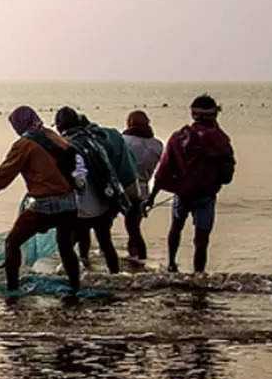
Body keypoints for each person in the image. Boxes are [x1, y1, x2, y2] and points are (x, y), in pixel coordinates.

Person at [0, 106, 81, 296]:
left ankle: (12, 291)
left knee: (12, 243)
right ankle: (75, 288)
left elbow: (3, 177)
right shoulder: (54, 136)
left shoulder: (24, 144)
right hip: (70, 203)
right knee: (66, 248)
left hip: (45, 206)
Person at [147, 95, 235, 273]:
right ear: (215, 114)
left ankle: (171, 263)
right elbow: (227, 174)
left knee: (176, 228)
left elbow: (163, 170)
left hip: (182, 195)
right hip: (206, 196)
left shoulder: (179, 137)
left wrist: (151, 197)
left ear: (193, 114)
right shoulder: (220, 139)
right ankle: (198, 274)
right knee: (201, 241)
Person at [54, 107, 136, 274]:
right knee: (106, 243)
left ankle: (73, 278)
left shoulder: (68, 145)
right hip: (103, 201)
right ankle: (115, 275)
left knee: (66, 245)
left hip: (81, 206)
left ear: (60, 126)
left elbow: (77, 179)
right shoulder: (96, 139)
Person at [122, 110, 164, 263]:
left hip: (122, 187)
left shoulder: (123, 140)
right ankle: (138, 259)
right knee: (133, 228)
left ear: (129, 124)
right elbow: (162, 171)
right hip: (143, 189)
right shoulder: (157, 145)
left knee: (103, 228)